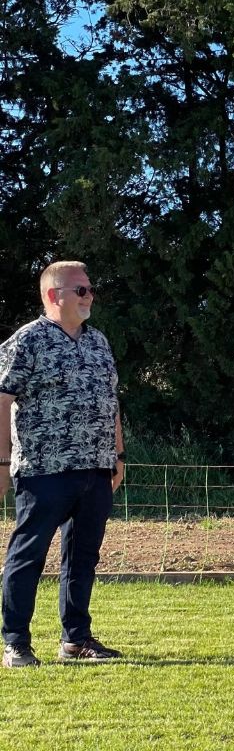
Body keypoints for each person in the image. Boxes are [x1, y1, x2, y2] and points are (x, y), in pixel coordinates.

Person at [0, 261, 125, 667]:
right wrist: (2, 461)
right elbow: (2, 399)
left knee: (84, 557)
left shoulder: (99, 342)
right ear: (54, 295)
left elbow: (112, 401)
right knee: (28, 555)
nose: (90, 296)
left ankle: (76, 639)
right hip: (43, 470)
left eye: (90, 289)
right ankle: (16, 642)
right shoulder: (27, 341)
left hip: (96, 469)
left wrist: (118, 456)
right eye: (81, 290)